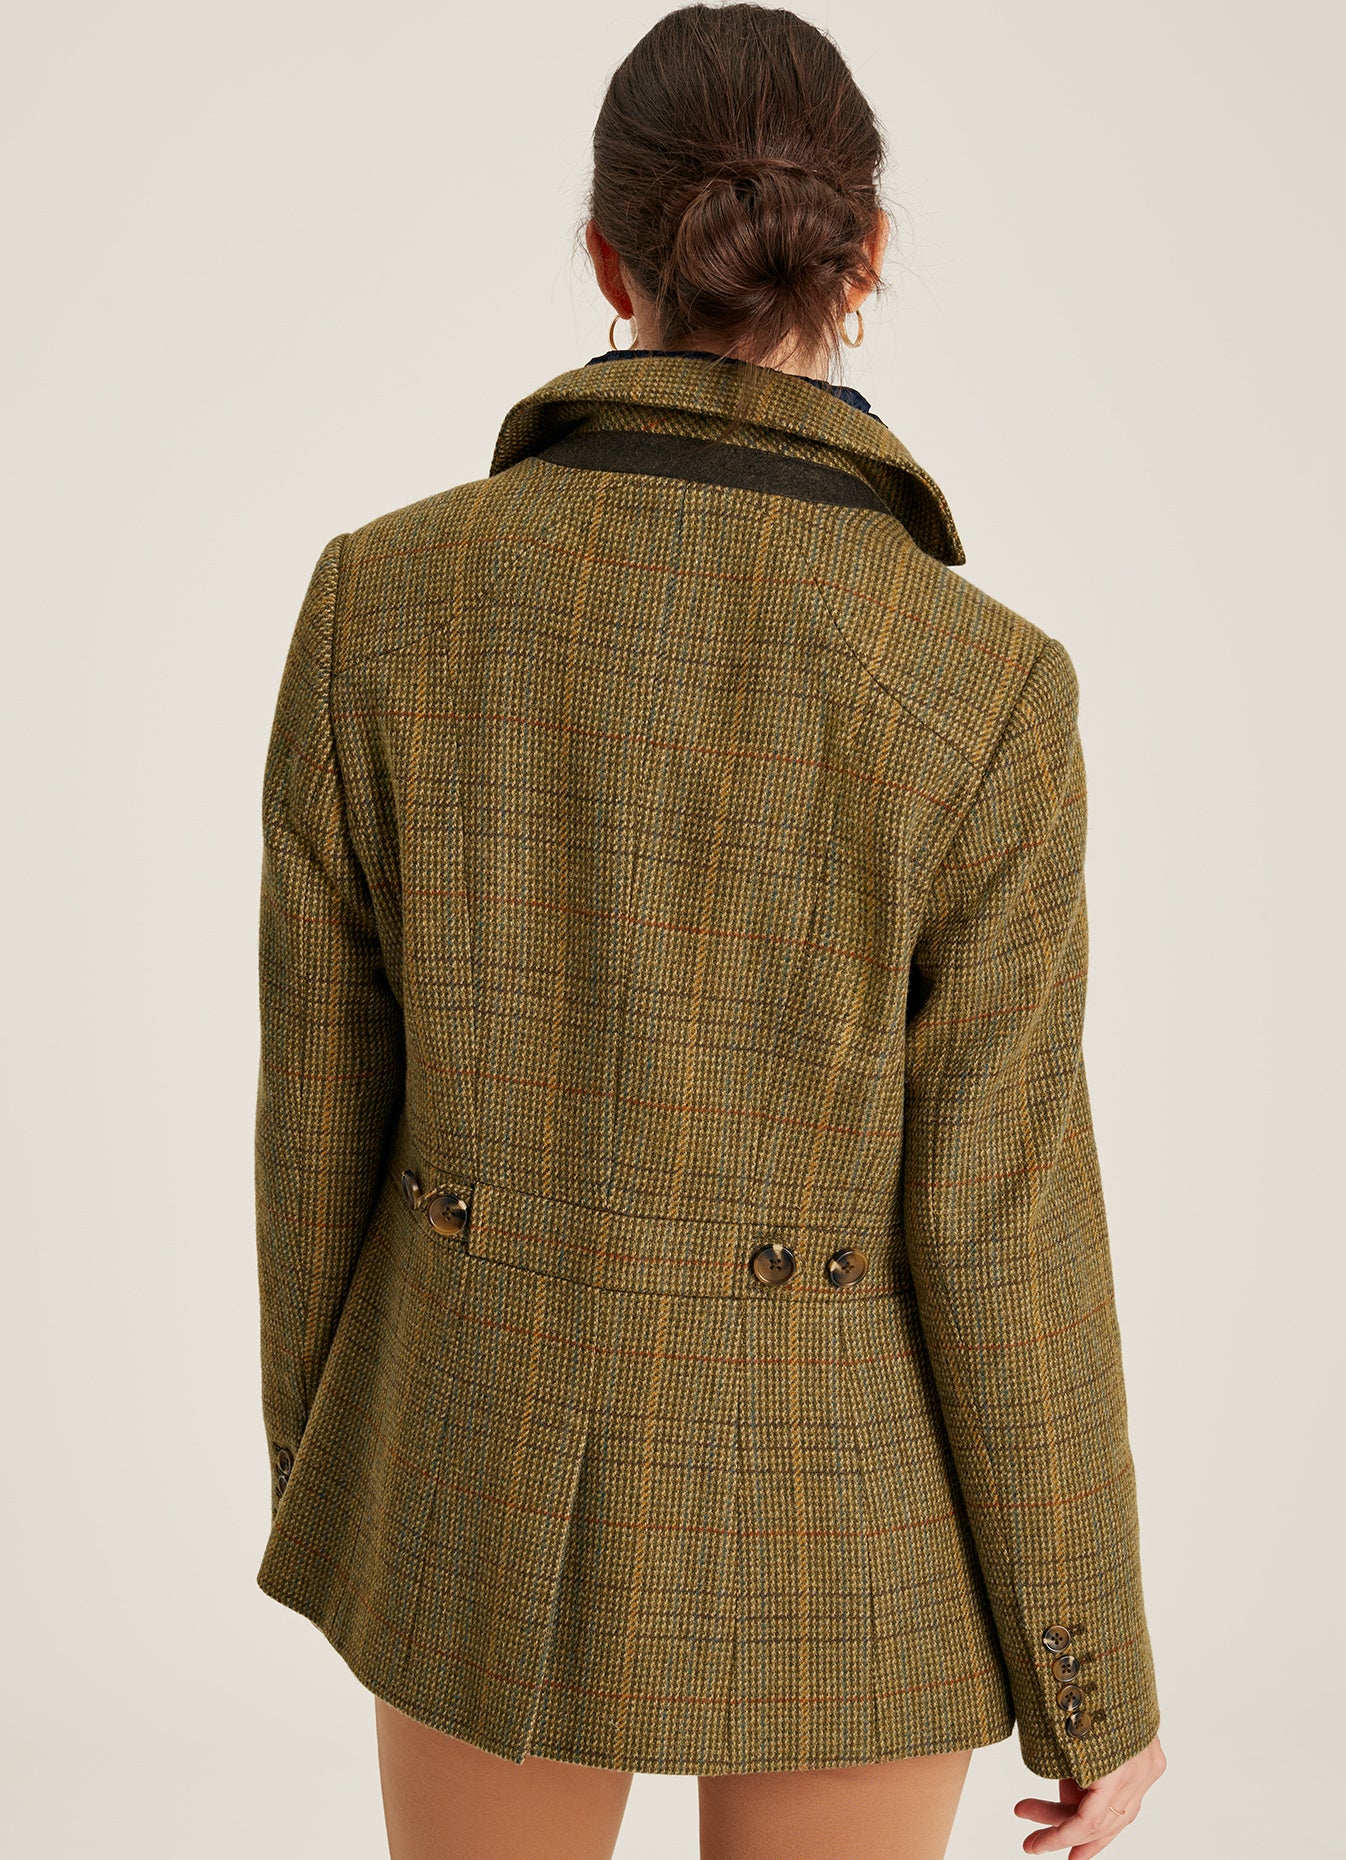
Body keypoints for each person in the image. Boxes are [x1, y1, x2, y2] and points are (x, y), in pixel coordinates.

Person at [253, 6, 1167, 1856]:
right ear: (866, 255)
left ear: (609, 259)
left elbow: (316, 1118)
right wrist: (1093, 1681)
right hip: (851, 1518)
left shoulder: (385, 603)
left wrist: (348, 1479)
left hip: (473, 1467)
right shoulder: (982, 688)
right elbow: (1001, 1220)